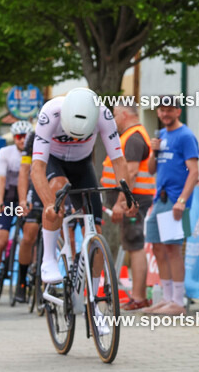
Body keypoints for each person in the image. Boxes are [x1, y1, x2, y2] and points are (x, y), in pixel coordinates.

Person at [30, 88, 133, 287]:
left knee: (96, 231)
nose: (76, 139)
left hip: (82, 163)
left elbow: (118, 161)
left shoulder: (103, 115)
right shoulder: (50, 113)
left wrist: (125, 198)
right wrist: (49, 205)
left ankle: (93, 302)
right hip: (54, 160)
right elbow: (37, 168)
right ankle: (48, 259)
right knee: (57, 193)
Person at [144, 97, 199, 315]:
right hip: (161, 199)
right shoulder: (161, 136)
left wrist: (182, 201)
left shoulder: (185, 136)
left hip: (176, 201)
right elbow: (150, 170)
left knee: (173, 249)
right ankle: (166, 298)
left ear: (178, 111)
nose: (165, 114)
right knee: (158, 247)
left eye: (169, 110)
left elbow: (194, 171)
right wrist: (153, 151)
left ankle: (178, 301)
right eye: (161, 110)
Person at [100, 104, 156, 310]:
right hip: (135, 198)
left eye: (114, 115)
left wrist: (121, 202)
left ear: (124, 115)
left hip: (135, 200)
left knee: (134, 243)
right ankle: (138, 296)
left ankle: (139, 297)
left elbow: (130, 174)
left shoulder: (133, 138)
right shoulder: (133, 136)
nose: (113, 120)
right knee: (132, 243)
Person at [0, 121, 31, 294]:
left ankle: (24, 281)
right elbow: (0, 179)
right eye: (19, 137)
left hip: (27, 196)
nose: (22, 140)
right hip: (9, 197)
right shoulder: (5, 152)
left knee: (29, 238)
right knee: (2, 240)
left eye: (25, 137)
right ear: (14, 138)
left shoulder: (35, 152)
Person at [12, 128, 39, 305]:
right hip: (36, 186)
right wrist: (22, 200)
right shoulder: (33, 138)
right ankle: (21, 283)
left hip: (59, 184)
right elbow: (24, 171)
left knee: (65, 231)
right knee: (29, 234)